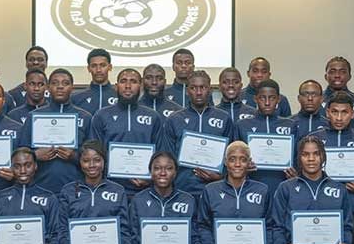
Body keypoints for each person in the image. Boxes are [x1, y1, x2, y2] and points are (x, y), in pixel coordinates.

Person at [311, 92, 354, 244]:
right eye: (334, 111)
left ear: (352, 114)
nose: (338, 117)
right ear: (327, 112)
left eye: (344, 112)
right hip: (322, 209)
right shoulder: (314, 139)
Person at [18, 68, 92, 194]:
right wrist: (35, 156)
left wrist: (74, 156)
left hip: (75, 187)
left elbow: (93, 155)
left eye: (65, 83)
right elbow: (20, 152)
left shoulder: (85, 117)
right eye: (55, 83)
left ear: (72, 87)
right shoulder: (34, 116)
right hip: (40, 186)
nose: (60, 87)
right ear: (48, 87)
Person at [90, 68, 163, 196]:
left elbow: (161, 152)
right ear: (116, 86)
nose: (128, 86)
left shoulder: (153, 116)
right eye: (123, 81)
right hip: (109, 188)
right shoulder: (101, 115)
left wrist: (150, 177)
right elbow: (95, 152)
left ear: (140, 86)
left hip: (145, 189)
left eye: (133, 81)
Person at [162, 70, 233, 198]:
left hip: (217, 190)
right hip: (182, 190)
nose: (199, 92)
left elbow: (231, 155)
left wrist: (221, 176)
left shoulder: (224, 118)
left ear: (210, 90)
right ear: (187, 91)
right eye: (194, 88)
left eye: (203, 87)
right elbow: (167, 157)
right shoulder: (174, 119)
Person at [233, 79, 298, 196]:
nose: (267, 102)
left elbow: (297, 157)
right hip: (250, 188)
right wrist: (243, 167)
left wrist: (295, 174)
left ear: (278, 99)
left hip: (282, 186)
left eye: (272, 98)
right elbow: (233, 159)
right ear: (255, 99)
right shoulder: (242, 125)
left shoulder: (290, 125)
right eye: (262, 98)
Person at [319, 56, 354, 135]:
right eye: (332, 71)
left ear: (349, 76)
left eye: (342, 72)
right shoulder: (316, 101)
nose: (337, 75)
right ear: (326, 76)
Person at [71, 48, 117, 115]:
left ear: (110, 67)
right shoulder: (76, 98)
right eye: (94, 66)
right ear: (89, 68)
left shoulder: (119, 97)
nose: (98, 70)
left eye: (103, 65)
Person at [292, 80, 328, 145]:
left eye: (314, 94)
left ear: (322, 99)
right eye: (306, 94)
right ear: (299, 98)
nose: (310, 98)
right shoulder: (289, 123)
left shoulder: (329, 125)